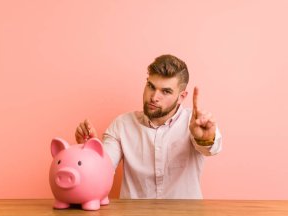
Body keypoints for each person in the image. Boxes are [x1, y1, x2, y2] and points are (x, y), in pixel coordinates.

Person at [75, 54, 222, 199]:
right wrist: (90, 151)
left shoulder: (194, 123)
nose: (154, 97)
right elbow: (102, 169)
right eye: (151, 86)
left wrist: (205, 139)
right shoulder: (122, 125)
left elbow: (211, 149)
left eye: (166, 91)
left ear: (181, 97)